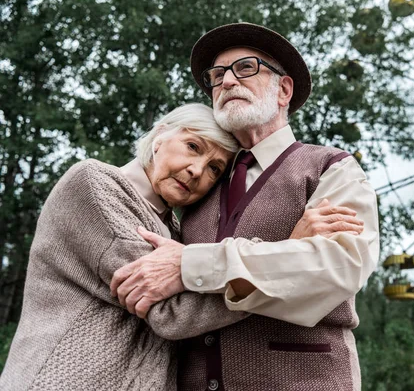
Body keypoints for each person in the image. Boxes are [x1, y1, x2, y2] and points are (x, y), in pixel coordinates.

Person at [0, 103, 363, 390]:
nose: (196, 171)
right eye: (193, 147)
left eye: (214, 169)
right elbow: (171, 313)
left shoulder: (173, 228)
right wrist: (287, 253)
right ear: (160, 136)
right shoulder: (95, 185)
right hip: (69, 379)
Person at [112, 23, 380, 390]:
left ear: (283, 90)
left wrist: (189, 264)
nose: (226, 82)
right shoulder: (198, 185)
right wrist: (289, 250)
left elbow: (339, 269)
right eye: (218, 75)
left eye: (246, 68)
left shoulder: (331, 168)